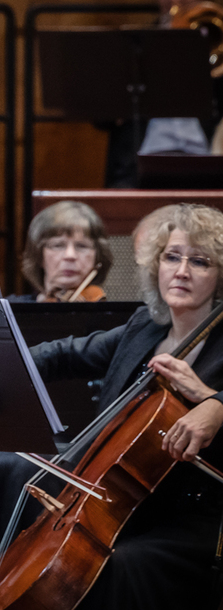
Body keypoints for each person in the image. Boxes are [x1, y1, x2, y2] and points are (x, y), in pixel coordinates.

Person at [25, 203, 223, 609]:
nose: (181, 271)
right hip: (118, 506)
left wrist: (213, 401)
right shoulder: (145, 326)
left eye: (200, 261)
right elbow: (66, 355)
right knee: (7, 482)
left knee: (116, 566)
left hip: (188, 518)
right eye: (172, 257)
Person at [104, 0, 222, 188]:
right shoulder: (134, 46)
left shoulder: (218, 42)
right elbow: (101, 119)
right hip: (140, 168)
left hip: (207, 162)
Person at [18, 201, 114, 302]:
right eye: (58, 245)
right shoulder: (12, 310)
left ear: (98, 256)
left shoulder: (112, 315)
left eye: (82, 246)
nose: (70, 255)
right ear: (38, 254)